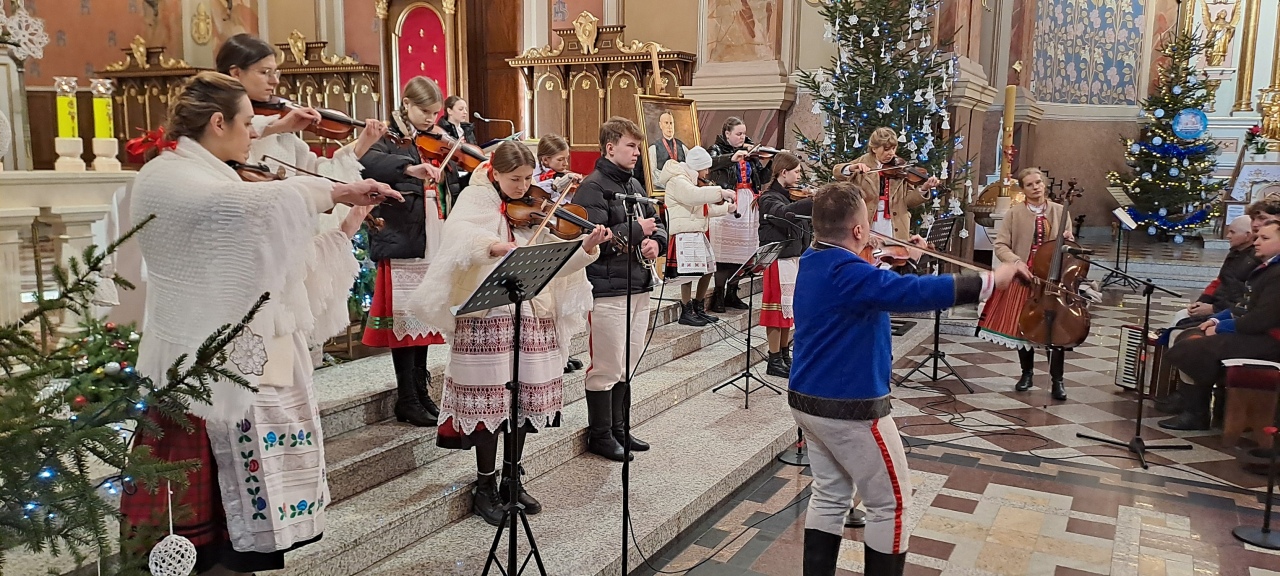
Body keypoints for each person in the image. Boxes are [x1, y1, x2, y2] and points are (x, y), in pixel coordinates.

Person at [119, 71, 400, 574]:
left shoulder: (216, 169)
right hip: (199, 373)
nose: (258, 133)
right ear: (217, 121)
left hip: (241, 366)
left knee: (248, 540)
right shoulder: (169, 175)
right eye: (251, 123)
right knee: (208, 541)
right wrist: (333, 194)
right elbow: (242, 207)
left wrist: (345, 225)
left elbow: (272, 264)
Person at [791, 181, 1018, 576]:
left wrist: (898, 258)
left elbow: (863, 286)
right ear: (859, 230)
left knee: (829, 495)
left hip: (809, 401)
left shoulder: (815, 260)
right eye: (867, 224)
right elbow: (910, 293)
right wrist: (990, 281)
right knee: (890, 504)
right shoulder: (850, 273)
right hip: (850, 408)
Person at [409, 141, 611, 525]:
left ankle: (512, 477)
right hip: (485, 317)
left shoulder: (534, 210)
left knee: (522, 403)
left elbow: (554, 265)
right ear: (495, 173)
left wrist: (584, 248)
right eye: (515, 179)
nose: (522, 187)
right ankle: (484, 484)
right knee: (491, 406)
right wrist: (494, 246)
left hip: (530, 314)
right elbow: (457, 238)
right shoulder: (475, 198)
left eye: (528, 178)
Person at [358, 76, 458, 427]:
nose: (433, 119)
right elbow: (368, 163)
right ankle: (407, 398)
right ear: (407, 103)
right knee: (405, 321)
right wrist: (409, 168)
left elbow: (450, 181)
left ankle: (422, 393)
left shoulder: (429, 138)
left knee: (423, 318)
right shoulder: (386, 135)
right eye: (426, 111)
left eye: (436, 112)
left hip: (430, 235)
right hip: (401, 237)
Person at [575, 116, 669, 462]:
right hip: (607, 288)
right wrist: (634, 231)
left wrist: (656, 243)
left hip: (638, 284)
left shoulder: (635, 186)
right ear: (610, 147)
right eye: (631, 145)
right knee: (607, 365)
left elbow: (655, 226)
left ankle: (620, 428)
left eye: (638, 146)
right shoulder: (593, 187)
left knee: (628, 362)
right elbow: (593, 241)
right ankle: (600, 434)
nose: (636, 152)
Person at [1159, 220, 1280, 431]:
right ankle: (1194, 405)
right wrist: (1218, 319)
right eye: (1258, 236)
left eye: (1265, 238)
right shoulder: (1268, 267)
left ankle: (1197, 414)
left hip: (1271, 340)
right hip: (1256, 332)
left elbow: (1263, 317)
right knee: (1189, 336)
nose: (1257, 241)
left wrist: (1224, 327)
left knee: (1194, 347)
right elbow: (1244, 305)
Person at [976, 167, 1076, 401]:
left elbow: (1068, 248)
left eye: (1039, 182)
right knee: (1026, 326)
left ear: (1045, 184)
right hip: (1025, 277)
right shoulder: (1014, 214)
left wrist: (1069, 242)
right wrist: (1017, 262)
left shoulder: (1061, 211)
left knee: (1056, 328)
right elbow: (1000, 245)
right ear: (1023, 189)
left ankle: (1057, 380)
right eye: (1030, 184)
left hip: (1052, 278)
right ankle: (1027, 374)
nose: (1036, 187)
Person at [658, 146, 736, 326]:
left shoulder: (690, 181)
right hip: (684, 233)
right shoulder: (678, 180)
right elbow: (693, 196)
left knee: (708, 269)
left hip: (695, 231)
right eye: (705, 168)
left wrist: (727, 208)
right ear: (697, 167)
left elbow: (703, 209)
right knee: (688, 274)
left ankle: (698, 308)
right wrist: (720, 192)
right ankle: (686, 310)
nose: (707, 172)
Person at [534, 132, 589, 374]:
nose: (565, 164)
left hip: (566, 236)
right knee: (551, 305)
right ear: (545, 160)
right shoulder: (537, 178)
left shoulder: (562, 177)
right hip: (548, 241)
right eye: (560, 160)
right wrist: (558, 184)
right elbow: (539, 191)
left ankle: (563, 351)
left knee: (564, 303)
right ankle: (554, 354)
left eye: (567, 159)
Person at [756, 151, 814, 377]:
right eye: (797, 172)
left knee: (788, 313)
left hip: (792, 258)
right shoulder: (769, 198)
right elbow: (783, 214)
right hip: (776, 260)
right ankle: (773, 360)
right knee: (776, 312)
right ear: (783, 172)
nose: (799, 176)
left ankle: (783, 354)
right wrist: (810, 201)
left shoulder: (790, 196)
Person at [832, 127, 940, 241]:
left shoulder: (900, 167)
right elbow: (837, 171)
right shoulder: (863, 161)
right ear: (874, 148)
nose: (891, 153)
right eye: (886, 149)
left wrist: (924, 188)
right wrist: (851, 168)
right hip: (869, 221)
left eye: (894, 148)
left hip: (895, 224)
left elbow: (908, 201)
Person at [707, 117, 767, 312]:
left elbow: (762, 177)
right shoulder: (716, 149)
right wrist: (731, 158)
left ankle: (732, 292)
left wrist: (773, 161)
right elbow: (710, 165)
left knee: (744, 251)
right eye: (738, 134)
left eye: (743, 133)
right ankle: (718, 294)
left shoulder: (750, 152)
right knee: (724, 253)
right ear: (727, 134)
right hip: (727, 199)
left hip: (748, 201)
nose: (742, 137)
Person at [646, 111, 688, 189]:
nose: (669, 126)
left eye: (671, 123)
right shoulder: (653, 148)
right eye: (666, 123)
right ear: (660, 125)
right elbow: (651, 173)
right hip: (663, 188)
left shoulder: (682, 146)